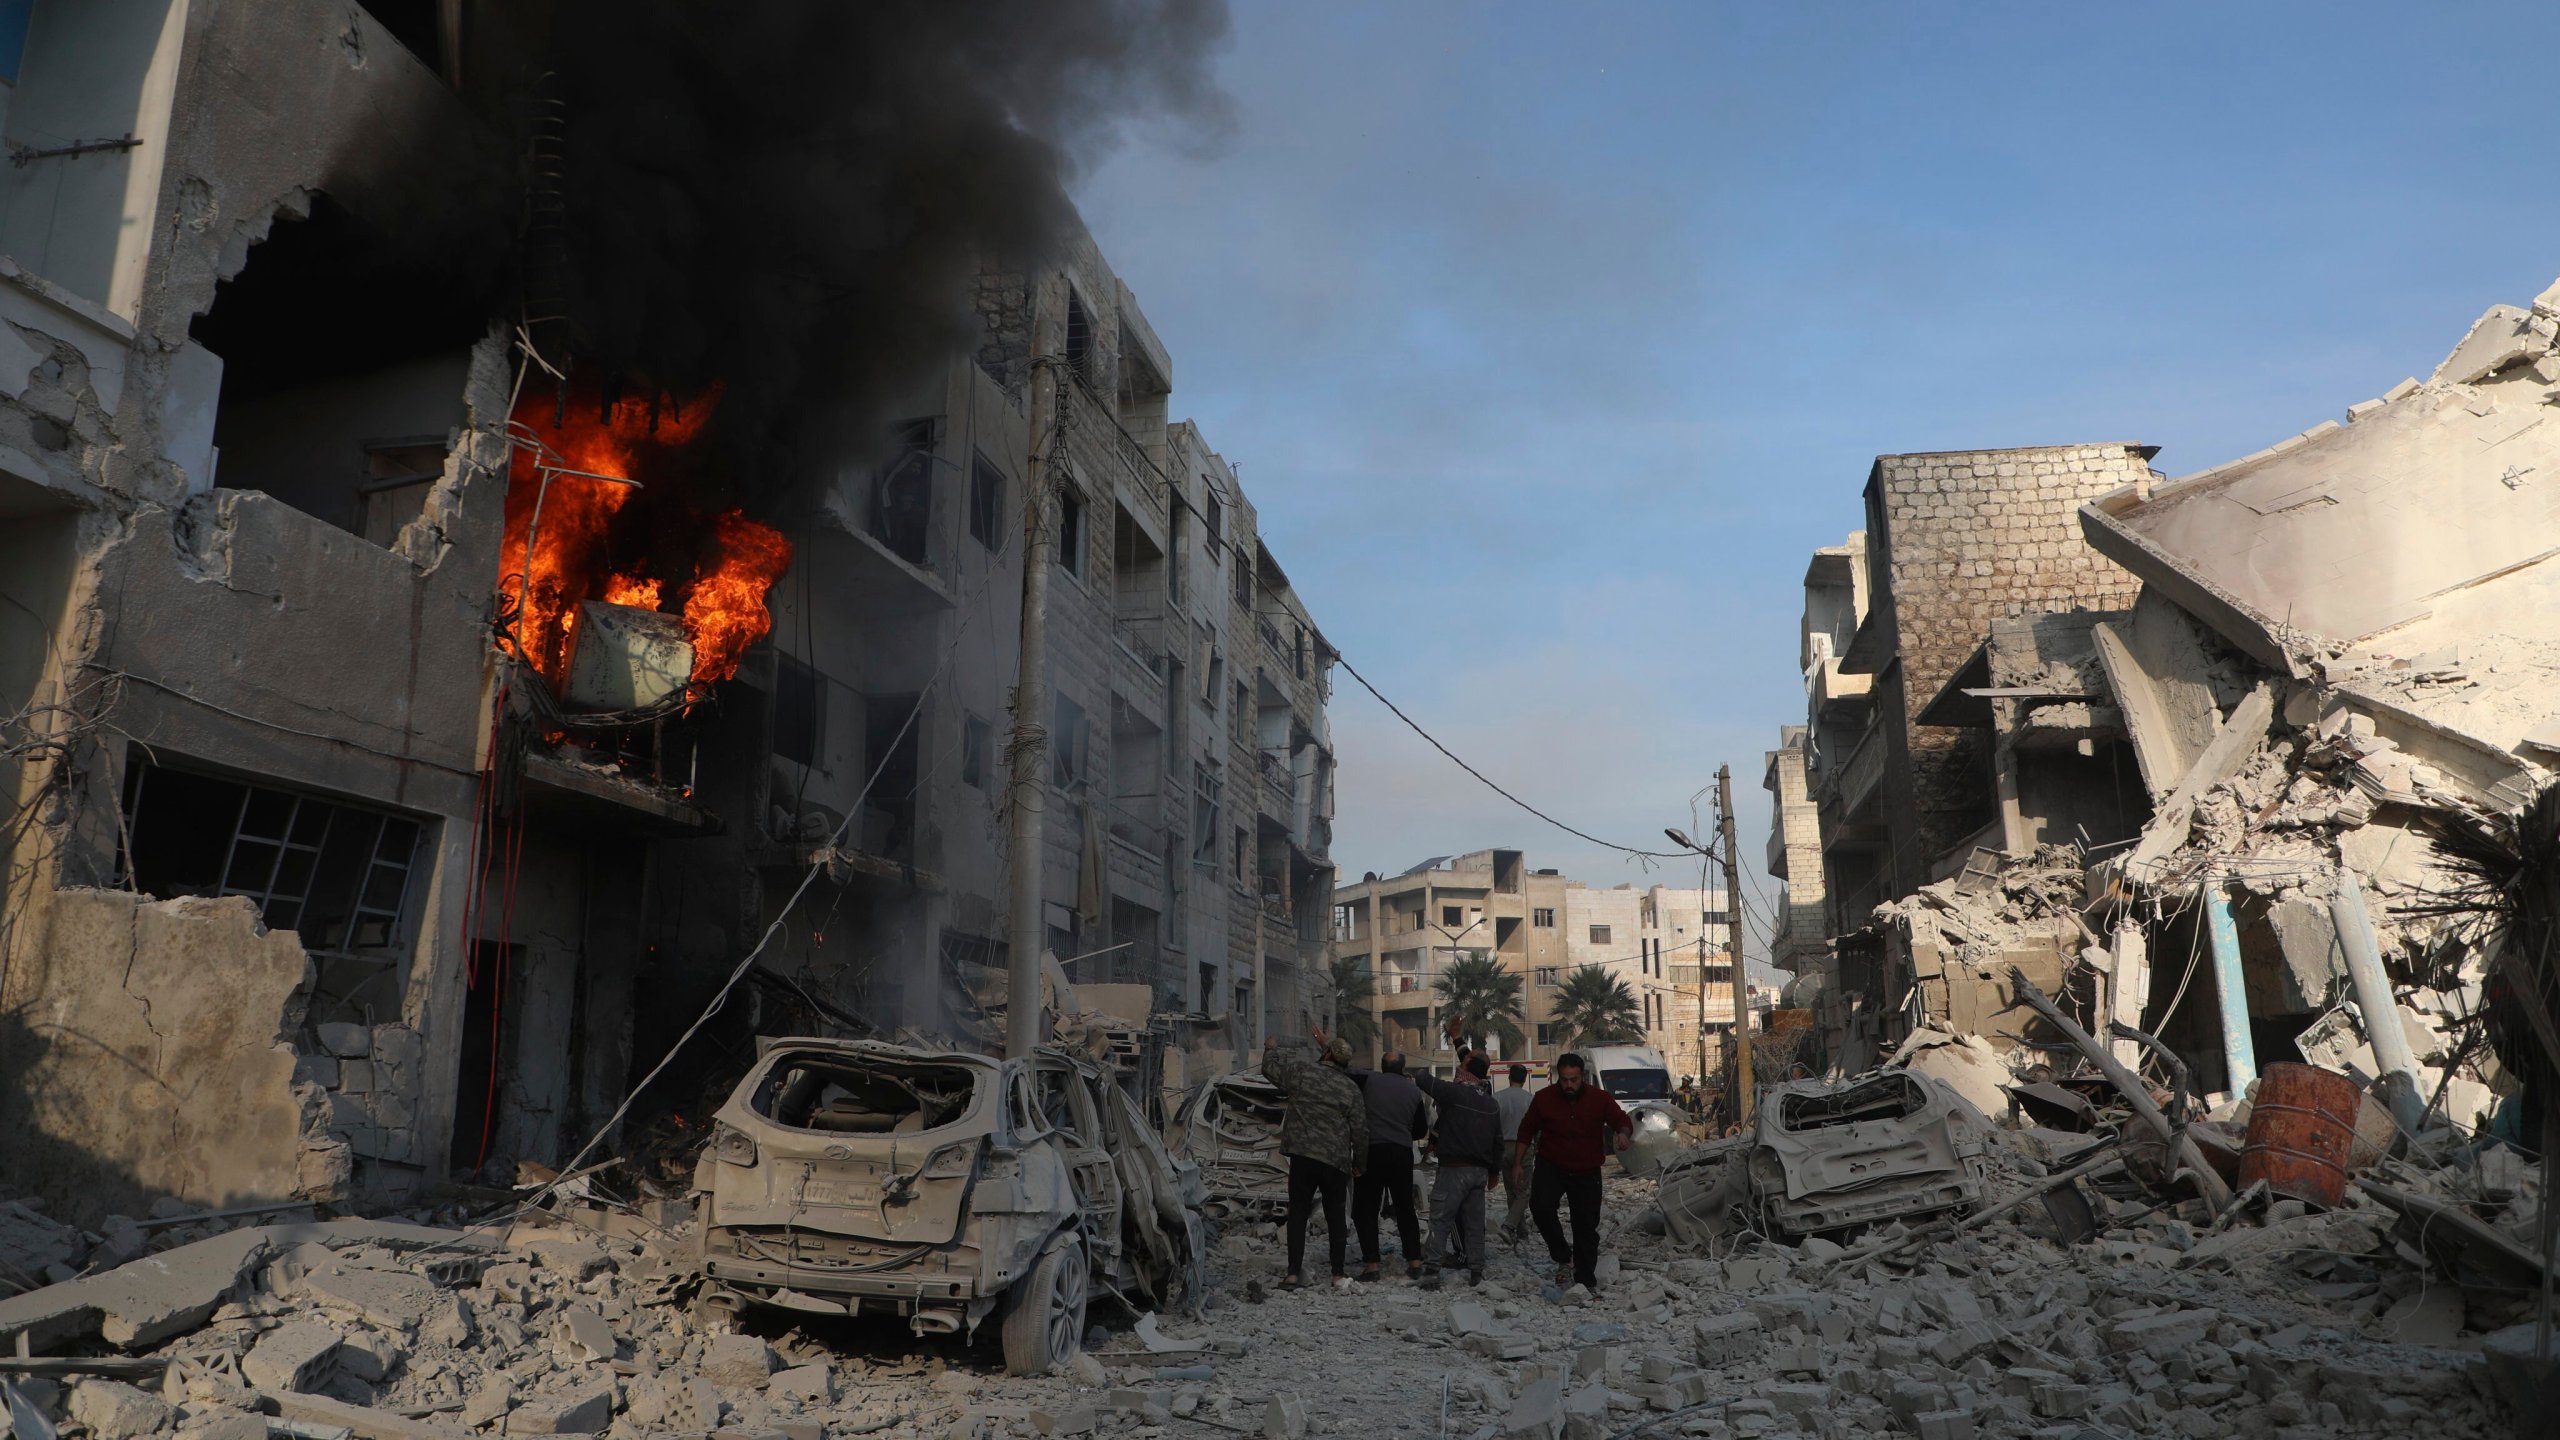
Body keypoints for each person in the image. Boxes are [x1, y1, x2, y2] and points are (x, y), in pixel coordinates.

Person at [1511, 1051, 1631, 1292]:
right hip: (1551, 1165)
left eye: (1573, 1080)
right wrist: (1517, 1164)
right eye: (1564, 1079)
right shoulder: (1543, 1099)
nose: (1569, 1085)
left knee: (1585, 1225)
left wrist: (1623, 1134)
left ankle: (1585, 1280)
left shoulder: (1600, 1098)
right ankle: (1563, 1255)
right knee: (1541, 1208)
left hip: (1587, 1170)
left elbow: (1622, 1120)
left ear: (1582, 1078)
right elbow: (1525, 1131)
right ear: (1558, 1077)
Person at [1261, 1030, 1366, 1289]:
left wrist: (1271, 1048)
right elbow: (1361, 1129)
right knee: (1335, 1217)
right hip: (1335, 1161)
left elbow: (1270, 1070)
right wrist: (1359, 1163)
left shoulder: (1301, 1073)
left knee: (1297, 1213)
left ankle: (1293, 1274)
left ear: (1327, 1053)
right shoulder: (1350, 1088)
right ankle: (1338, 1274)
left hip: (1303, 1156)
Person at [1410, 1047, 1502, 1289]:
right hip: (1479, 1172)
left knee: (1441, 1220)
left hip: (1453, 1169)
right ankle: (1476, 1273)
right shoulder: (1491, 1104)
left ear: (1466, 1070)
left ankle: (1431, 1273)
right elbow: (1497, 1142)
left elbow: (1421, 1077)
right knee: (1474, 1224)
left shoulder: (1453, 1093)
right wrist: (1493, 1173)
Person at [1347, 1050, 1428, 1280]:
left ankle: (1372, 1265)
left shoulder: (1369, 1079)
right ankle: (1414, 1262)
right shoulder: (1413, 1090)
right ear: (1402, 1069)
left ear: (1382, 1066)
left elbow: (1347, 1068)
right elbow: (1421, 1130)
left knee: (1366, 1209)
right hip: (1401, 1153)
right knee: (1405, 1208)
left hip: (1372, 1151)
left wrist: (1326, 1045)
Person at [1494, 1062, 1535, 1241]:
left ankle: (1522, 1230)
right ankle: (1508, 1226)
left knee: (1511, 1189)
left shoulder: (1498, 1097)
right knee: (1524, 1191)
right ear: (1525, 1079)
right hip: (1524, 1147)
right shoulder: (1530, 1099)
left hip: (1503, 1147)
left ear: (1509, 1077)